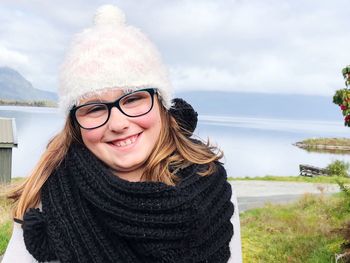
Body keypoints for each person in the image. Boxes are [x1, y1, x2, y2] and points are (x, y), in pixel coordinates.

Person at [3, 5, 242, 263]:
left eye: (133, 99)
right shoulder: (44, 198)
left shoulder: (210, 186)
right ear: (75, 123)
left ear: (162, 104)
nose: (118, 123)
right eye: (94, 108)